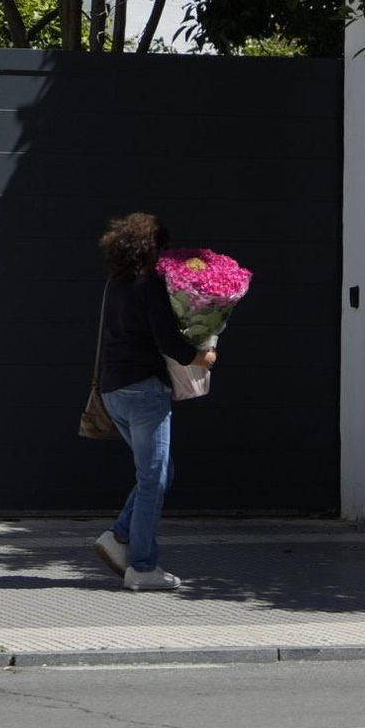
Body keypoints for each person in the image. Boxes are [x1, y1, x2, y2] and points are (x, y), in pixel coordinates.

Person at [91, 212, 216, 591]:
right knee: (152, 479)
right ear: (151, 249)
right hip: (144, 392)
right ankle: (142, 567)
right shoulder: (150, 286)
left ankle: (119, 537)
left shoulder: (115, 284)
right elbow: (168, 343)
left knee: (159, 474)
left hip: (114, 392)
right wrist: (202, 357)